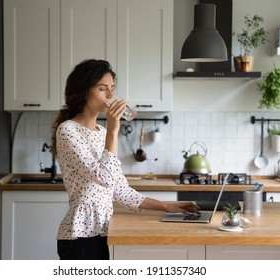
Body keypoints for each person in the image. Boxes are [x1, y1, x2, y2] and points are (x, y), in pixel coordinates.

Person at [51, 59, 199, 260]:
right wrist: (113, 130)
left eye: (112, 88)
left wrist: (167, 206)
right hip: (81, 234)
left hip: (104, 231)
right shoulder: (68, 130)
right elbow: (102, 177)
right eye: (103, 89)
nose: (111, 96)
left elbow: (119, 189)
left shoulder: (102, 132)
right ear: (83, 90)